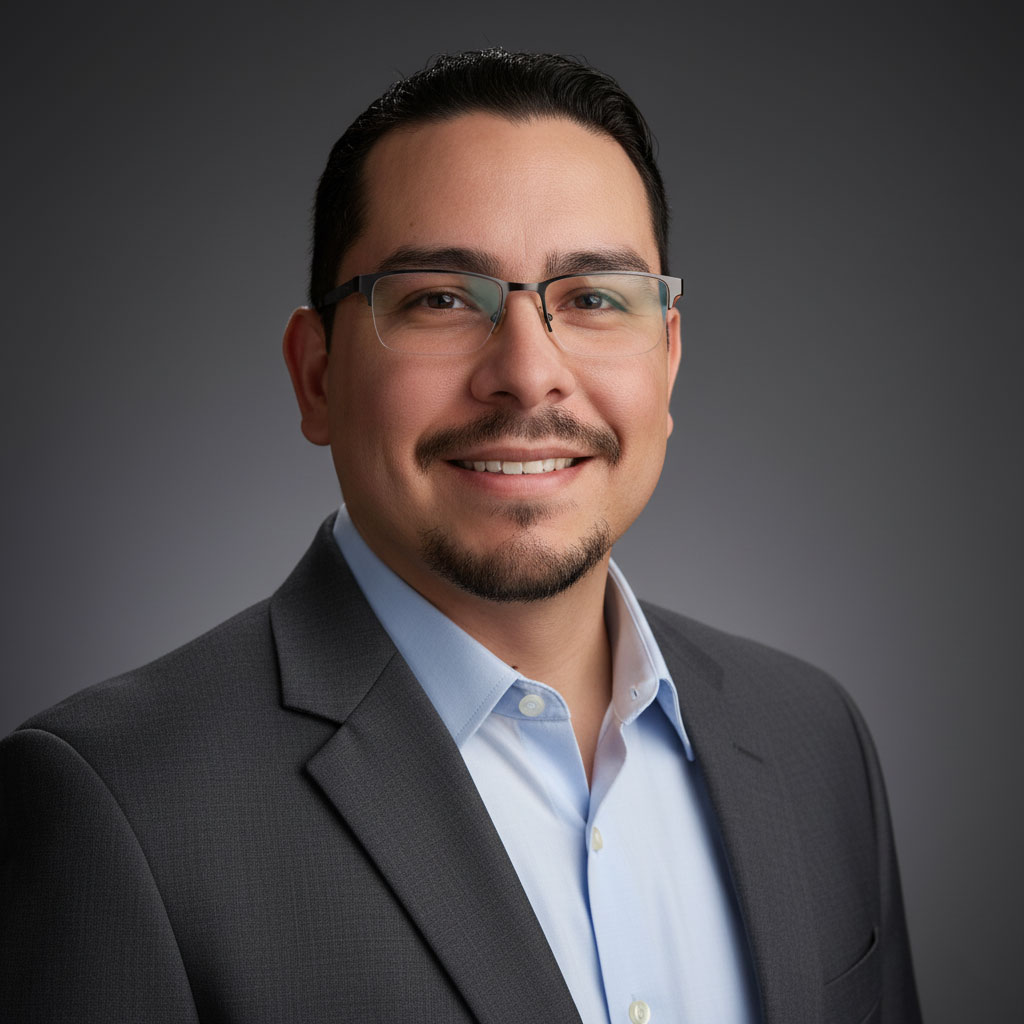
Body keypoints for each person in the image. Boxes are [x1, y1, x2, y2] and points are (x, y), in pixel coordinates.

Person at [0, 49, 920, 1023]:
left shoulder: (813, 739)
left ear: (668, 359)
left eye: (594, 298)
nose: (528, 374)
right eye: (440, 297)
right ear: (316, 376)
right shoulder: (117, 806)